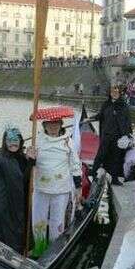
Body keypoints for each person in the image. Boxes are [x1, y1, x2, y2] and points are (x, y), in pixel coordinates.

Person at [32, 107, 82, 256]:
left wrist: (78, 187)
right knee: (38, 221)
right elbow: (30, 163)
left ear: (61, 125)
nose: (53, 126)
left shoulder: (68, 142)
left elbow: (75, 165)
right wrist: (30, 157)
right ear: (44, 125)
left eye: (56, 124)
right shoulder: (37, 140)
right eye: (49, 124)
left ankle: (53, 251)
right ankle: (39, 248)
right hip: (41, 188)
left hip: (61, 189)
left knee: (56, 222)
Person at [0, 128, 36, 253]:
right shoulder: (5, 160)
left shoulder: (18, 156)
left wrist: (29, 160)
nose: (13, 143)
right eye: (9, 140)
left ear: (21, 142)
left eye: (16, 140)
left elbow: (22, 175)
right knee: (11, 236)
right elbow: (20, 183)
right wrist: (31, 162)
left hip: (10, 200)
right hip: (5, 206)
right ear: (5, 142)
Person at [88, 85, 132, 185]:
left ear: (119, 93)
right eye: (113, 91)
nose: (115, 93)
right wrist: (89, 118)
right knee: (100, 155)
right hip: (106, 135)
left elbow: (127, 121)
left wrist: (127, 136)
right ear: (110, 93)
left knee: (116, 158)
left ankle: (115, 179)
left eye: (116, 92)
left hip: (117, 137)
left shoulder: (123, 106)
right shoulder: (106, 104)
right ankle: (93, 174)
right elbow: (100, 115)